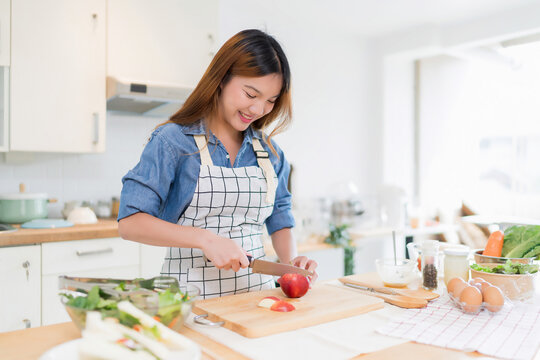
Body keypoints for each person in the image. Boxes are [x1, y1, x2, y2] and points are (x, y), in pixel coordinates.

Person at [118, 29, 318, 299]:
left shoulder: (270, 153)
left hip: (255, 300)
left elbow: (280, 216)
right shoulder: (173, 142)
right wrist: (205, 239)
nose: (258, 110)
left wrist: (290, 262)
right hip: (189, 303)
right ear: (222, 79)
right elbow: (130, 223)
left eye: (271, 101)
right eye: (251, 94)